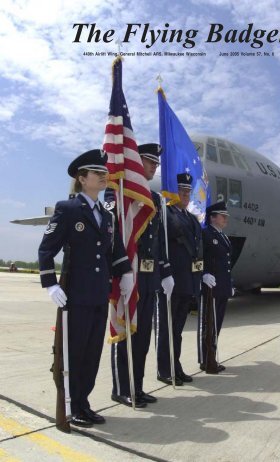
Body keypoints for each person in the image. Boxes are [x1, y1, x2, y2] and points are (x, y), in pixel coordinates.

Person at [38, 149, 134, 428]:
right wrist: (50, 284)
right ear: (82, 179)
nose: (104, 177)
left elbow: (113, 251)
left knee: (93, 353)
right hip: (76, 296)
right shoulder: (67, 210)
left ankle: (84, 402)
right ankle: (72, 404)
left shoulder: (106, 216)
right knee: (75, 352)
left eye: (104, 173)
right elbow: (46, 250)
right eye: (98, 173)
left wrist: (124, 273)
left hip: (98, 294)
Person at [108, 143, 174, 407]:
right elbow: (116, 232)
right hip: (129, 273)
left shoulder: (156, 199)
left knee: (144, 334)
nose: (154, 167)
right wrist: (122, 269)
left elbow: (159, 242)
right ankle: (121, 388)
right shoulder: (121, 190)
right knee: (125, 332)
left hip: (149, 277)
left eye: (156, 164)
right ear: (136, 162)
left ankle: (138, 385)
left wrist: (165, 271)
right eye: (150, 162)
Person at [156, 173, 203, 385]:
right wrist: (164, 273)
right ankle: (164, 370)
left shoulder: (191, 218)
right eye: (182, 191)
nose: (185, 195)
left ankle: (176, 365)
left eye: (187, 192)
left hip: (186, 283)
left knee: (177, 330)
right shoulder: (165, 214)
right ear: (173, 193)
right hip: (170, 281)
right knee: (166, 329)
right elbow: (159, 245)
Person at [198, 201, 232, 373]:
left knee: (216, 324)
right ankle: (206, 359)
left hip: (221, 287)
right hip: (210, 286)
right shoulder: (205, 233)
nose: (225, 219)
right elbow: (199, 255)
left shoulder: (222, 235)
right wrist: (203, 273)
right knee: (208, 324)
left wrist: (229, 283)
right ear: (212, 218)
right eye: (222, 216)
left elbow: (225, 263)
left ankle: (211, 356)